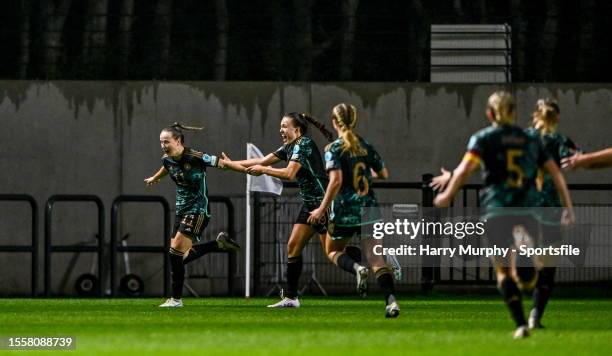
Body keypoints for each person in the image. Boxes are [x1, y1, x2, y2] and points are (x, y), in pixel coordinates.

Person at [433, 92, 574, 338]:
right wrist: (569, 207)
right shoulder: (530, 140)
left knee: (503, 273)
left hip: (496, 209)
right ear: (514, 112)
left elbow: (466, 169)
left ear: (489, 114)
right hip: (529, 208)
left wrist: (447, 193)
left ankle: (520, 325)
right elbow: (557, 174)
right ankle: (526, 252)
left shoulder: (483, 138)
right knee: (532, 274)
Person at [224, 112, 337, 308]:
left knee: (334, 252)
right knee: (293, 247)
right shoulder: (290, 147)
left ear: (297, 129)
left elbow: (288, 173)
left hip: (321, 203)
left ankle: (379, 263)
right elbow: (261, 161)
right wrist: (229, 164)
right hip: (310, 204)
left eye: (285, 126)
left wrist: (264, 170)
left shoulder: (304, 144)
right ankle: (292, 298)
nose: (281, 130)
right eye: (281, 126)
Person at [308, 103, 400, 318]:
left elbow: (336, 180)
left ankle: (357, 269)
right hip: (369, 208)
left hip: (345, 210)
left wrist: (321, 208)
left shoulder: (333, 148)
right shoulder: (365, 145)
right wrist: (365, 176)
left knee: (332, 251)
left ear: (334, 122)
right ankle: (392, 302)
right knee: (376, 259)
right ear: (355, 121)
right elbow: (384, 173)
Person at [144, 123, 245, 308]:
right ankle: (217, 244)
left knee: (174, 253)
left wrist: (247, 170)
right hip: (181, 210)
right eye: (161, 142)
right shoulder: (167, 159)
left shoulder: (195, 156)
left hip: (198, 210)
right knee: (179, 257)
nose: (163, 146)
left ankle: (175, 300)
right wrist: (155, 177)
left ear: (178, 141)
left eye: (166, 142)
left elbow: (222, 164)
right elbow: (167, 167)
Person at [524, 98, 579, 329]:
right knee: (548, 269)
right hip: (550, 208)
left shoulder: (522, 138)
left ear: (534, 115)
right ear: (556, 118)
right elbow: (572, 160)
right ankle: (535, 315)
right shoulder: (559, 141)